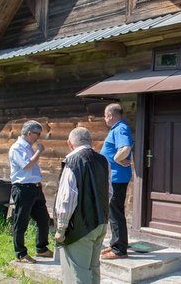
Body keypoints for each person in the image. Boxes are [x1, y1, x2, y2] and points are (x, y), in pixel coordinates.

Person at [55, 127, 111, 283]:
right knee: (93, 268)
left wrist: (61, 228)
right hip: (100, 223)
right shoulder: (103, 161)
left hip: (80, 227)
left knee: (78, 272)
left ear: (69, 143)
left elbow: (66, 198)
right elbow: (109, 192)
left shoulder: (72, 162)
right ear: (90, 142)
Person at [8, 120, 53, 263]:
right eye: (37, 134)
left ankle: (42, 248)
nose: (38, 137)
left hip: (34, 187)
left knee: (43, 218)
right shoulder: (17, 148)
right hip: (23, 188)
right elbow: (27, 166)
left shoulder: (27, 146)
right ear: (29, 133)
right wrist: (39, 151)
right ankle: (20, 253)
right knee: (21, 221)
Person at [100, 103, 133, 260]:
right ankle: (115, 243)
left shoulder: (120, 128)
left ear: (111, 115)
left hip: (117, 178)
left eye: (105, 116)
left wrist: (115, 159)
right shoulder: (117, 129)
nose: (105, 119)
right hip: (114, 177)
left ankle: (119, 249)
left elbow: (125, 148)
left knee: (116, 212)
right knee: (113, 211)